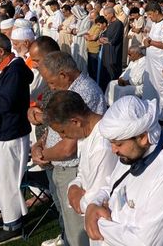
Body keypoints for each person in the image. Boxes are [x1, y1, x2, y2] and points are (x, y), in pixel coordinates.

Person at [84, 96, 163, 246]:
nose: (113, 150)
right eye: (111, 143)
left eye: (118, 144)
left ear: (143, 137)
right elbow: (111, 185)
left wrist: (98, 221)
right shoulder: (134, 152)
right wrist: (94, 204)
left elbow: (145, 242)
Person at [31, 51, 107, 246]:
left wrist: (42, 153)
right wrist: (41, 143)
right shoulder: (70, 89)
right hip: (66, 169)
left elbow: (68, 148)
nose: (50, 86)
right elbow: (58, 127)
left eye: (52, 82)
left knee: (78, 230)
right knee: (68, 222)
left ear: (63, 75)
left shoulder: (84, 92)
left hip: (71, 166)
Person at [0, 34, 34, 245]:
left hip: (10, 132)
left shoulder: (15, 70)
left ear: (0, 51)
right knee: (3, 178)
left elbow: (7, 102)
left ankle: (12, 224)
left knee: (8, 179)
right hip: (6, 130)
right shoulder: (12, 69)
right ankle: (8, 215)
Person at [43, 91, 117, 225]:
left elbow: (98, 197)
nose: (62, 137)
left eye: (63, 131)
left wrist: (76, 200)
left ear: (76, 121)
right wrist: (73, 188)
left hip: (105, 222)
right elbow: (82, 173)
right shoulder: (85, 136)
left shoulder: (102, 144)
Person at [142, 3, 163, 119]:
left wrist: (150, 42)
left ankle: (160, 116)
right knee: (149, 86)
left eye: (150, 14)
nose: (149, 17)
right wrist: (147, 41)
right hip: (150, 62)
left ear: (157, 12)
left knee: (160, 88)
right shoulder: (154, 23)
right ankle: (148, 112)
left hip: (160, 63)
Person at [98, 7, 124, 91]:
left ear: (111, 14)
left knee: (112, 76)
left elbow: (114, 40)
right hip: (106, 53)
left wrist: (105, 40)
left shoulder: (118, 24)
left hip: (113, 54)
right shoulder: (111, 24)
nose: (105, 17)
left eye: (106, 15)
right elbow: (105, 36)